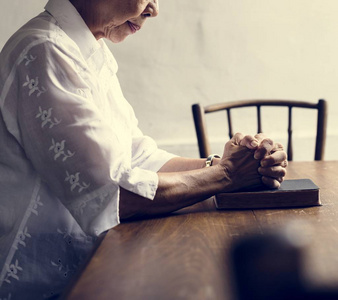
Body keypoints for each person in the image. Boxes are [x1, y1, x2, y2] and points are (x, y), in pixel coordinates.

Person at [0, 0, 287, 298]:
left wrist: (222, 165)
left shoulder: (87, 51)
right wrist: (227, 175)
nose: (154, 9)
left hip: (93, 272)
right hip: (44, 289)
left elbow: (137, 157)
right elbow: (112, 194)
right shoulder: (44, 49)